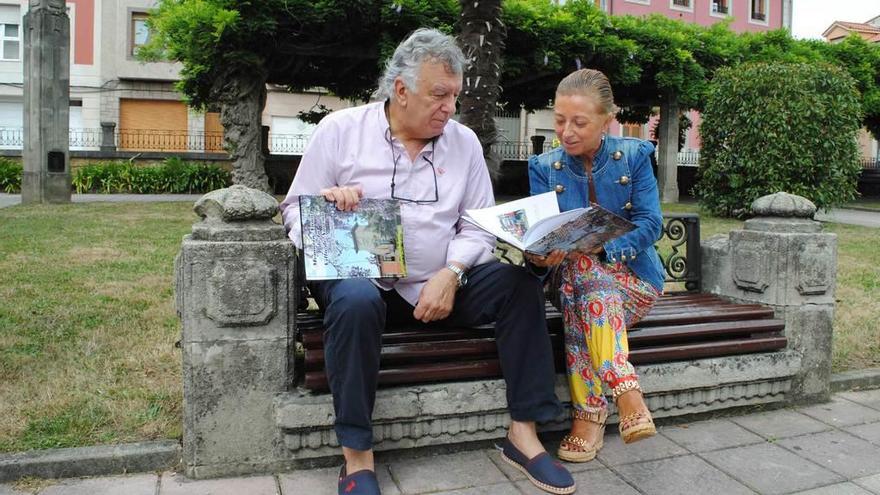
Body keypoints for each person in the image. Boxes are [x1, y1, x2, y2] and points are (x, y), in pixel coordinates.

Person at [280, 29, 575, 495]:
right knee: (355, 300)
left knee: (518, 285)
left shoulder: (463, 144)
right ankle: (357, 458)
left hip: (440, 285)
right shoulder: (340, 132)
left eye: (455, 96)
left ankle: (525, 435)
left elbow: (478, 225)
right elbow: (294, 209)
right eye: (439, 95)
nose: (450, 108)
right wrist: (328, 203)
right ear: (401, 90)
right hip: (363, 281)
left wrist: (451, 274)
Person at [526, 69, 665, 464]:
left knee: (583, 276)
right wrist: (538, 255)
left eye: (579, 122)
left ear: (607, 120)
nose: (566, 132)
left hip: (633, 281)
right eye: (559, 120)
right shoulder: (543, 167)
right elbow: (543, 233)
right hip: (571, 278)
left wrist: (603, 252)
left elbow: (650, 223)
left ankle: (590, 415)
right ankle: (626, 392)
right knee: (578, 273)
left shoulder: (636, 157)